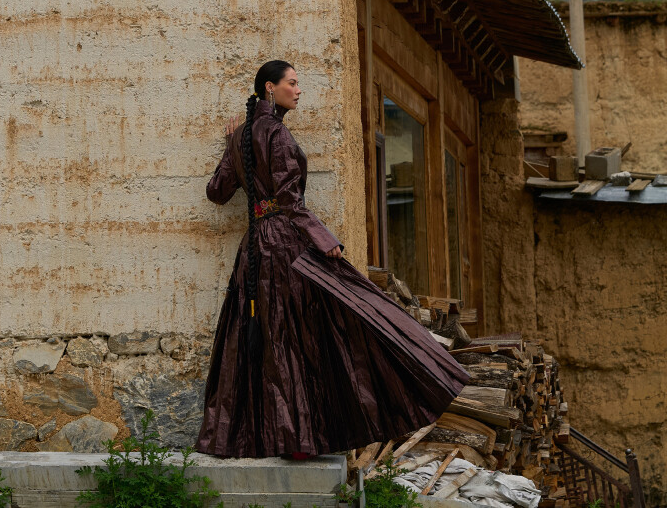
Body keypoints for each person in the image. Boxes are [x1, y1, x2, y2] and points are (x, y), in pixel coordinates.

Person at [195, 60, 468, 458]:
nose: (298, 90)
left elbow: (216, 192)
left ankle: (273, 438)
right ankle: (302, 438)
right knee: (315, 330)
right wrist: (324, 240)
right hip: (285, 246)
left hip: (254, 248)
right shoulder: (278, 134)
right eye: (292, 83)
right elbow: (290, 201)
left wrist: (230, 149)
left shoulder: (240, 137)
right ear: (270, 87)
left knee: (269, 340)